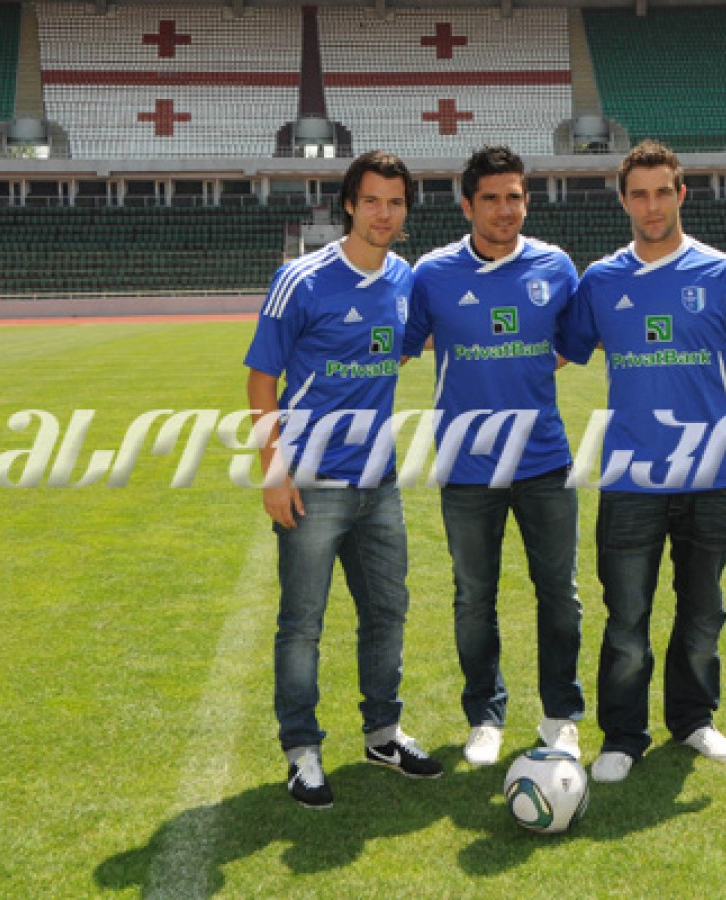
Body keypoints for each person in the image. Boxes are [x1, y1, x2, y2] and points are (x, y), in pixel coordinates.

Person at [557, 140, 726, 783]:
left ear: (681, 194)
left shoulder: (723, 272)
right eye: (639, 194)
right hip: (631, 478)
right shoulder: (601, 280)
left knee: (703, 611)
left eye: (662, 192)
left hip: (710, 475)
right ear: (624, 201)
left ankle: (694, 719)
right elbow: (561, 351)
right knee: (627, 617)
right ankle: (623, 737)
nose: (651, 206)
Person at [244, 149, 442, 809]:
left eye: (396, 202)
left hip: (379, 482)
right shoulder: (300, 279)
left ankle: (383, 734)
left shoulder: (406, 278)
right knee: (302, 624)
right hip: (310, 479)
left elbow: (407, 348)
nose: (384, 214)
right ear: (349, 205)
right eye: (372, 201)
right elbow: (261, 381)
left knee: (386, 613)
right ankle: (302, 750)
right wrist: (274, 471)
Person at [402, 145, 585, 766]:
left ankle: (560, 715)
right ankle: (485, 716)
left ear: (526, 201)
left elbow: (570, 344)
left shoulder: (556, 265)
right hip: (467, 467)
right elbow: (399, 346)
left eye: (514, 197)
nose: (504, 209)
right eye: (491, 199)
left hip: (544, 461)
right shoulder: (432, 273)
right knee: (474, 598)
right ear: (467, 206)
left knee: (559, 594)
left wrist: (523, 368)